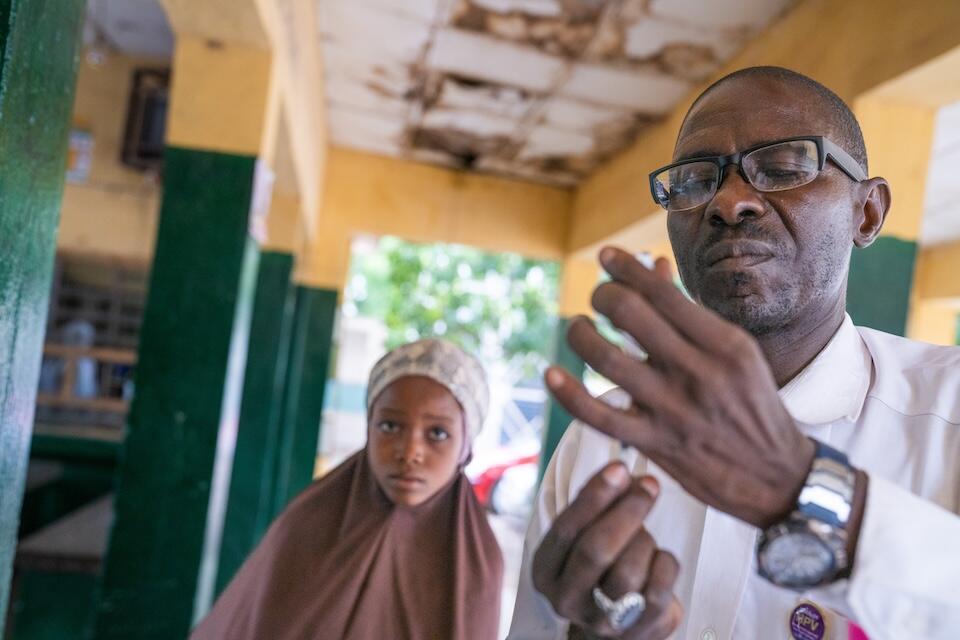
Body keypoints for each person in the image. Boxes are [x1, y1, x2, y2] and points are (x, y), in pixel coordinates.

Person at [508, 66, 960, 640]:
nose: (730, 202)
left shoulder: (949, 414)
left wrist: (800, 490)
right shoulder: (602, 442)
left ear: (867, 213)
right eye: (695, 180)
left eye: (784, 167)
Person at [193, 338, 504, 640]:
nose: (409, 452)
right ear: (368, 426)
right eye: (390, 426)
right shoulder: (304, 526)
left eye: (437, 433)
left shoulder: (475, 567)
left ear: (465, 446)